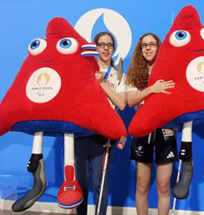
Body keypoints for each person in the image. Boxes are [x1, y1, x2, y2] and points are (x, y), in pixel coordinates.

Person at [75, 32, 127, 215]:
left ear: (113, 48)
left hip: (103, 134)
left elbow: (121, 104)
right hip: (80, 131)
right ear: (95, 47)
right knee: (80, 182)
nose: (105, 48)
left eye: (109, 45)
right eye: (101, 44)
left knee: (100, 182)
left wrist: (102, 84)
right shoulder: (84, 70)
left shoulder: (119, 75)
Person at [126, 33, 178, 215]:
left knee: (164, 185)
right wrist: (151, 89)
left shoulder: (170, 71)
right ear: (140, 49)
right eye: (144, 45)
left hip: (166, 131)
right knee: (142, 184)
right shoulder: (134, 74)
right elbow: (131, 100)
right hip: (143, 131)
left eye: (152, 44)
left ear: (159, 47)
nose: (148, 48)